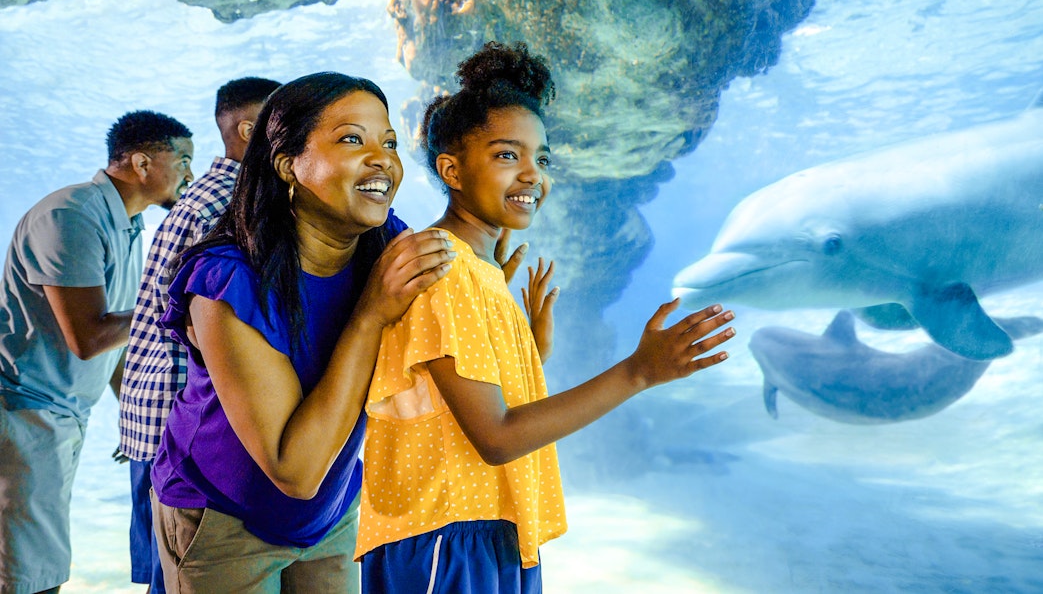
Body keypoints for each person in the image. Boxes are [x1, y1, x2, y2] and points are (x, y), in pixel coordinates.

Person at [354, 41, 736, 593]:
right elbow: (496, 437)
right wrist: (640, 371)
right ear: (451, 170)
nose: (533, 175)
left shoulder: (479, 269)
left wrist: (530, 353)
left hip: (486, 528)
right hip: (447, 538)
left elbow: (464, 405)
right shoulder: (444, 267)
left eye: (542, 158)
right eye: (508, 155)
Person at [148, 71, 461, 593]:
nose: (383, 158)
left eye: (389, 142)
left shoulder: (382, 241)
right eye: (351, 139)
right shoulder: (227, 284)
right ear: (289, 165)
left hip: (330, 510)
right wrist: (369, 315)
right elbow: (294, 470)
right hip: (224, 517)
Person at [0, 111, 194, 594]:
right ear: (143, 162)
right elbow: (87, 336)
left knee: (35, 560)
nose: (191, 174)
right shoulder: (71, 216)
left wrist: (137, 421)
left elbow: (113, 343)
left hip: (56, 415)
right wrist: (175, 304)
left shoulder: (127, 226)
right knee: (26, 572)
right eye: (184, 158)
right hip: (22, 411)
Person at [118, 77, 282, 594]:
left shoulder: (208, 194)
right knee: (174, 574)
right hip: (179, 418)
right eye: (290, 124)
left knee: (162, 572)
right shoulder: (233, 202)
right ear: (252, 129)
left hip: (154, 414)